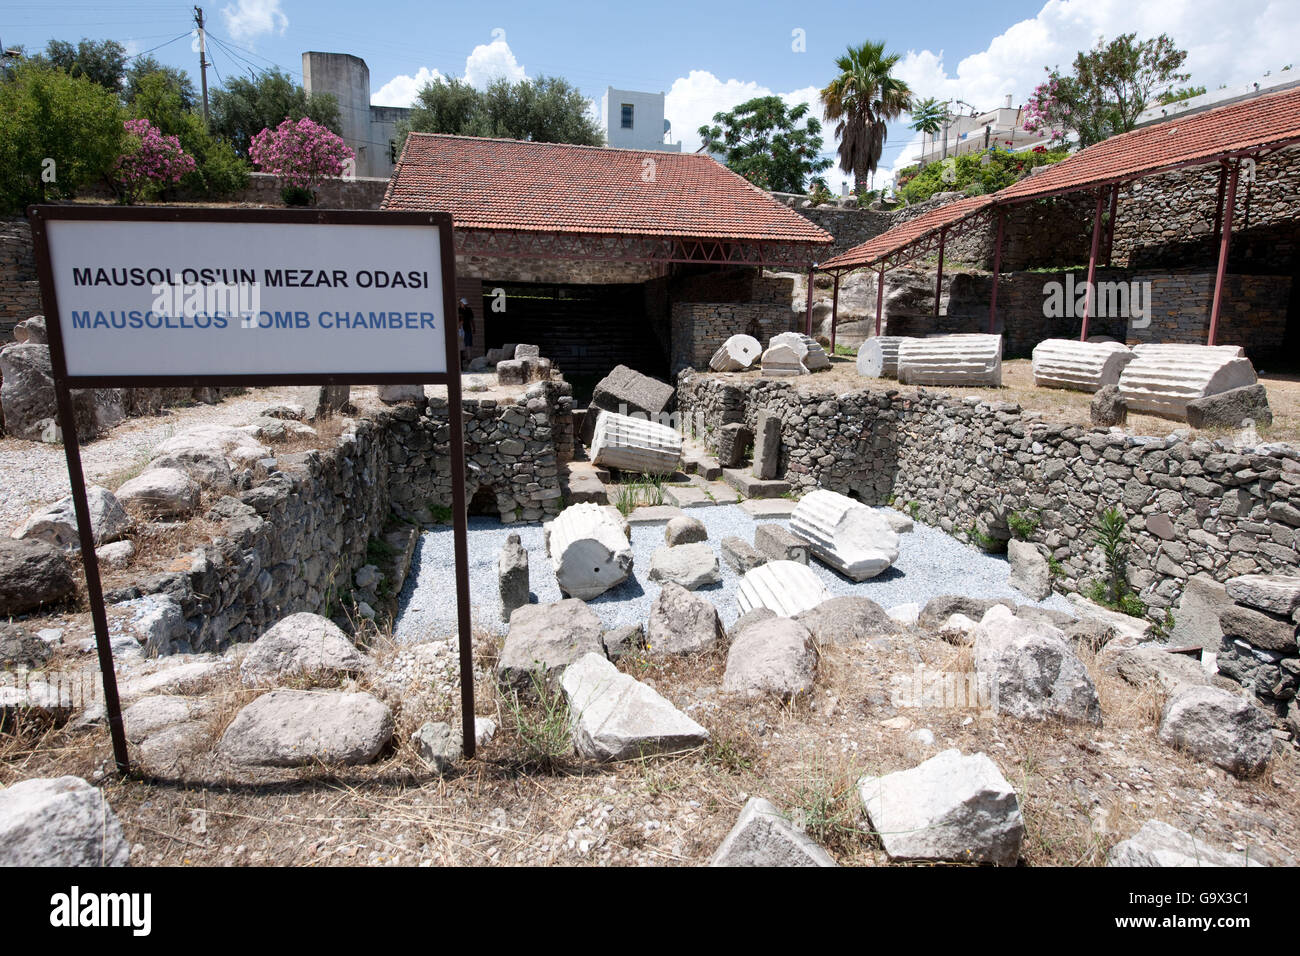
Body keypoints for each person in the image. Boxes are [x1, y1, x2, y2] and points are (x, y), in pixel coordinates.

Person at [458, 298, 474, 368]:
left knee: (468, 344)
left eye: (465, 304)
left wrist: (474, 327)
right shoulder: (458, 310)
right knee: (461, 344)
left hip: (467, 329)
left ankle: (469, 359)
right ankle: (462, 360)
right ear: (461, 303)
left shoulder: (469, 310)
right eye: (463, 304)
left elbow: (471, 319)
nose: (464, 305)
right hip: (460, 329)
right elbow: (458, 320)